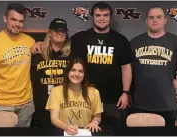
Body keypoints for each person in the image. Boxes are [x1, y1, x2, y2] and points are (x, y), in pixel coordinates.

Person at [32, 2, 132, 135]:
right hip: (84, 98)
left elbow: (126, 67)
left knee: (111, 133)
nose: (101, 18)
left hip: (112, 100)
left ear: (110, 17)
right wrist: (40, 43)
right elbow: (60, 43)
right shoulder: (80, 38)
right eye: (98, 15)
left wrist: (126, 92)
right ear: (92, 17)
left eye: (105, 15)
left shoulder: (121, 40)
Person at [130, 6, 177, 127]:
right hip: (139, 103)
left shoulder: (176, 42)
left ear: (165, 20)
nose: (154, 20)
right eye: (151, 17)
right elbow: (126, 69)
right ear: (146, 21)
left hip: (166, 104)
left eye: (158, 17)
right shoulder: (135, 42)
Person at [30, 18, 72, 128]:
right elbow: (30, 78)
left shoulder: (72, 54)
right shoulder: (38, 52)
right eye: (56, 30)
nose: (60, 33)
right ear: (49, 33)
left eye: (63, 31)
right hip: (41, 105)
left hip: (64, 105)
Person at [46, 58, 103, 135]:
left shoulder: (94, 92)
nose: (76, 74)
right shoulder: (56, 91)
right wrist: (66, 127)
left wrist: (94, 123)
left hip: (86, 133)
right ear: (67, 72)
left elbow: (97, 116)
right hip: (65, 132)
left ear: (84, 74)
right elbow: (54, 118)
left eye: (80, 71)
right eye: (73, 70)